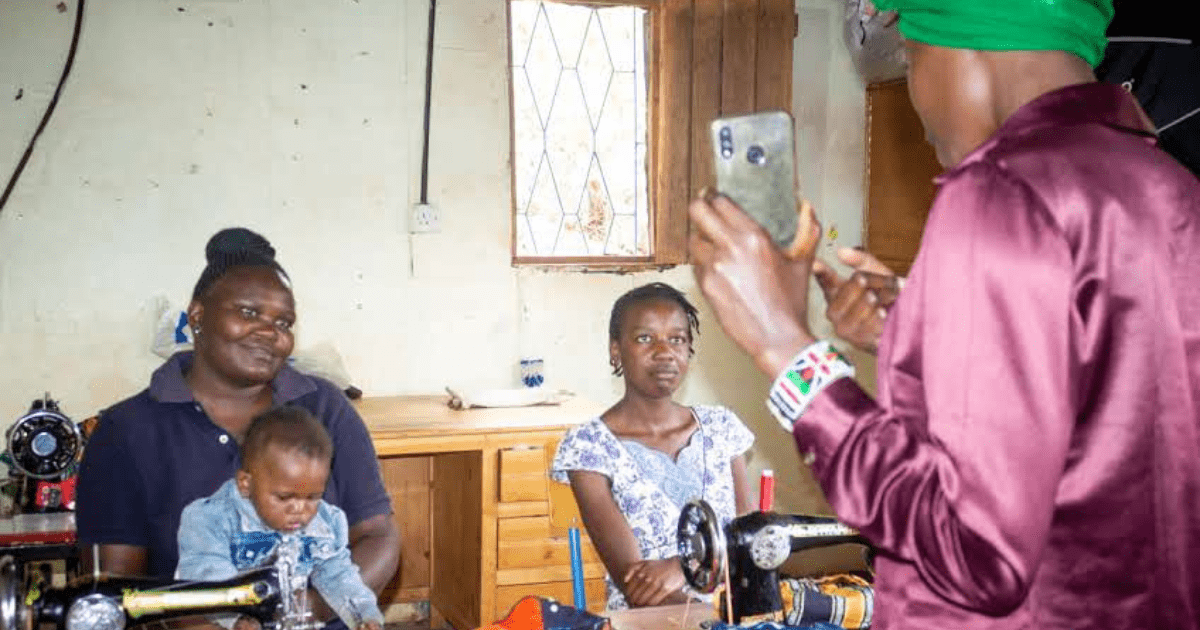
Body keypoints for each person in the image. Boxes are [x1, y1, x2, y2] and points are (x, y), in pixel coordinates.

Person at [688, 0, 1200, 628]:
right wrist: (917, 336)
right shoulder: (1169, 188)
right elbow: (1112, 418)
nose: (916, 96)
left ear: (968, 47)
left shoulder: (997, 192)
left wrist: (784, 348)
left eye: (911, 57)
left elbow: (973, 552)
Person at [76, 227, 400, 627]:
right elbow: (116, 588)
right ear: (197, 315)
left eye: (284, 322)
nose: (270, 332)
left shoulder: (323, 409)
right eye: (248, 313)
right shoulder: (126, 432)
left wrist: (299, 612)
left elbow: (378, 535)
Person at [550, 282, 754, 610]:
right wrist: (710, 619)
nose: (664, 352)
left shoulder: (721, 428)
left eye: (677, 339)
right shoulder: (590, 448)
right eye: (645, 338)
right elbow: (635, 586)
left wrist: (683, 565)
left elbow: (753, 543)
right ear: (615, 350)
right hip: (653, 621)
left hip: (737, 612)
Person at [176, 407, 383, 630]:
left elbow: (339, 576)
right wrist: (239, 617)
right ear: (246, 484)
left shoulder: (324, 522)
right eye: (284, 497)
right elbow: (208, 573)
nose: (300, 509)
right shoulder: (211, 519)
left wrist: (363, 615)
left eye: (313, 497)